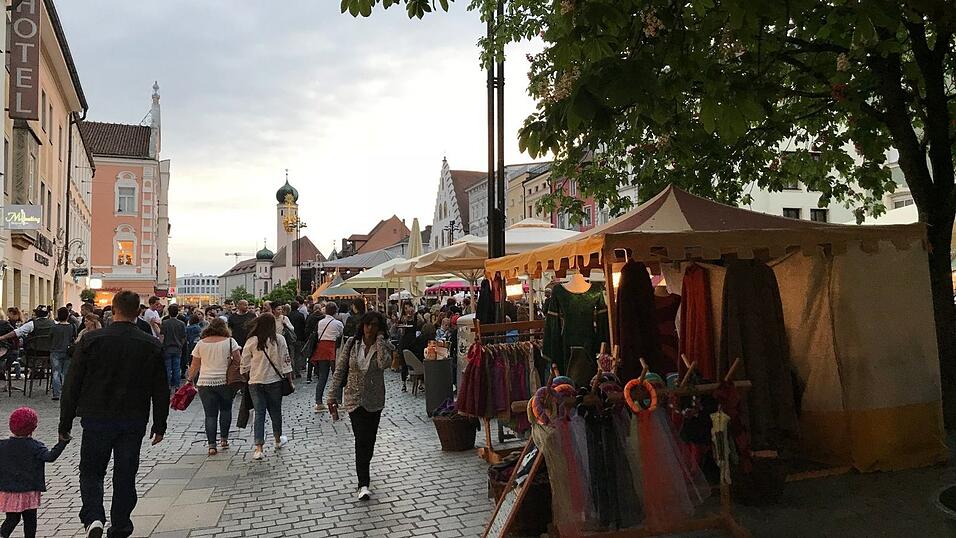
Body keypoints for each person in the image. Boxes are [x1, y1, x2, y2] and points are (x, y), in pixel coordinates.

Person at [59, 290, 169, 538]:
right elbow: (160, 389)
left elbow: (72, 384)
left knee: (91, 471)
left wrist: (65, 422)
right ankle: (120, 525)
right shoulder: (150, 344)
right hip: (133, 418)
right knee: (125, 473)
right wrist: (160, 424)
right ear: (138, 311)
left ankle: (94, 516)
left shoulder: (91, 340)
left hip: (96, 416)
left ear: (114, 309)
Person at [328, 312, 394, 501]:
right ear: (362, 325)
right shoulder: (351, 344)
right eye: (367, 325)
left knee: (370, 440)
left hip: (374, 399)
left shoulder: (384, 346)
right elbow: (340, 369)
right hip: (354, 398)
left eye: (374, 325)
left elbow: (383, 364)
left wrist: (380, 340)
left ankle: (365, 466)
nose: (370, 329)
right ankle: (363, 483)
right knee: (361, 439)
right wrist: (332, 395)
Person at [0, 407, 69, 538]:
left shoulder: (2, 446)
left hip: (9, 490)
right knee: (30, 520)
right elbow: (50, 457)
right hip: (29, 490)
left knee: (12, 518)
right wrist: (62, 443)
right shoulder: (36, 446)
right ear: (33, 428)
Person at [240, 313, 293, 460]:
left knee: (259, 413)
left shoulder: (252, 341)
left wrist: (248, 376)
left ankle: (258, 447)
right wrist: (289, 380)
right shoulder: (279, 340)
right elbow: (286, 362)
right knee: (275, 411)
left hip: (255, 381)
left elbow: (244, 364)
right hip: (274, 380)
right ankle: (277, 439)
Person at [186, 318, 240, 456]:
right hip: (225, 381)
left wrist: (189, 379)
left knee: (210, 415)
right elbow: (238, 360)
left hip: (205, 382)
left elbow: (194, 364)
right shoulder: (230, 342)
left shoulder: (201, 344)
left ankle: (211, 445)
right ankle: (224, 439)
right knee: (226, 410)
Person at [311, 303, 344, 413]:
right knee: (337, 375)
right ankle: (338, 401)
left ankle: (319, 401)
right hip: (332, 349)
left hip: (321, 350)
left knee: (322, 377)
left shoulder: (320, 322)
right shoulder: (338, 323)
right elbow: (340, 334)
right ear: (335, 311)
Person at [49, 308, 76, 401]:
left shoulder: (54, 327)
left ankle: (56, 393)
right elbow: (73, 338)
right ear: (68, 316)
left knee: (56, 372)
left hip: (55, 351)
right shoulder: (72, 326)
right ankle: (66, 393)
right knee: (66, 373)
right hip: (67, 352)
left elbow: (50, 337)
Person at [160, 305, 187, 389]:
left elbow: (162, 336)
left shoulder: (165, 323)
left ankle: (167, 386)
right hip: (177, 348)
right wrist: (180, 345)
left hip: (167, 348)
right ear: (177, 313)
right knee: (177, 367)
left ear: (169, 312)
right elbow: (183, 337)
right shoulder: (181, 323)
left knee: (168, 368)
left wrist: (161, 346)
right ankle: (177, 386)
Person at [287, 301, 307, 378]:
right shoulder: (301, 315)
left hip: (290, 338)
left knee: (291, 355)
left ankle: (292, 373)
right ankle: (297, 371)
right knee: (298, 356)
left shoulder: (288, 316)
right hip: (299, 337)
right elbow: (304, 327)